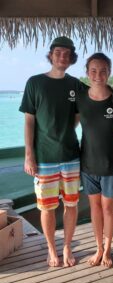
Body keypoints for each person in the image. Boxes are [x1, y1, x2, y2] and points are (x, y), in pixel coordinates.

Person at [19, 36, 83, 267]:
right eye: (58, 52)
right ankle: (51, 248)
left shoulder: (75, 84)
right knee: (46, 207)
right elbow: (29, 121)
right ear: (51, 55)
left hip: (70, 156)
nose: (62, 57)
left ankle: (66, 246)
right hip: (44, 158)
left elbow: (82, 112)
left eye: (67, 54)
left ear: (72, 58)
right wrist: (29, 154)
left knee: (72, 204)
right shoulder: (34, 82)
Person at [76, 53, 113, 268]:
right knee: (94, 208)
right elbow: (69, 128)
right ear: (87, 72)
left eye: (103, 70)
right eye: (94, 70)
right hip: (88, 163)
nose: (98, 75)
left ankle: (107, 250)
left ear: (109, 72)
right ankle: (98, 248)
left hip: (112, 163)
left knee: (108, 209)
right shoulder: (80, 98)